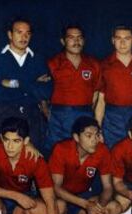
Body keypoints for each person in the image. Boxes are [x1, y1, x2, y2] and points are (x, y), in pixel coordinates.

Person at [49, 116, 121, 214]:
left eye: (97, 135)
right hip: (63, 198)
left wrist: (98, 207)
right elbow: (55, 188)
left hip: (84, 195)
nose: (94, 140)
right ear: (76, 137)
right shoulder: (61, 149)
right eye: (88, 135)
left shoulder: (102, 150)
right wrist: (86, 204)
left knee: (115, 209)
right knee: (59, 206)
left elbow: (108, 187)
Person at [0, 17, 51, 153]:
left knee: (33, 158)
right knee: (2, 158)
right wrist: (32, 85)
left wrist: (15, 83)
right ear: (10, 34)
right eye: (19, 32)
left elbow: (45, 92)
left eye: (28, 33)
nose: (24, 37)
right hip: (4, 114)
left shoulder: (38, 59)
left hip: (32, 116)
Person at [95, 25, 132, 148]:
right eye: (118, 38)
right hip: (112, 117)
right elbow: (101, 100)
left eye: (127, 38)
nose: (122, 43)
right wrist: (97, 127)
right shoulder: (104, 65)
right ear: (113, 40)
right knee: (112, 151)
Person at [44, 24, 100, 155]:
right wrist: (48, 113)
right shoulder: (53, 63)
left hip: (85, 113)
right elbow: (42, 92)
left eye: (79, 38)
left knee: (82, 153)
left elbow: (96, 92)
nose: (76, 41)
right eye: (71, 38)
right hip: (59, 116)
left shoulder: (93, 64)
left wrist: (89, 114)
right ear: (63, 41)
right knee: (56, 153)